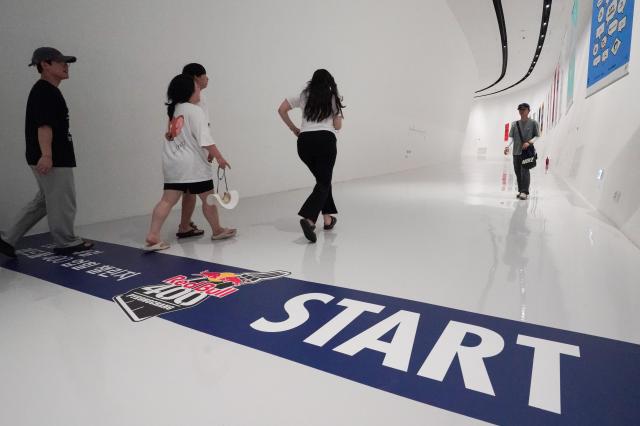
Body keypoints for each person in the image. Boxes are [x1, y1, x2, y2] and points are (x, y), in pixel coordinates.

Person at [0, 47, 94, 258]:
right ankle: (66, 242)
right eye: (61, 62)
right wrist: (47, 155)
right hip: (53, 157)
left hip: (47, 154)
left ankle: (7, 239)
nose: (66, 66)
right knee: (62, 199)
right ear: (45, 64)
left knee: (44, 200)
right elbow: (44, 126)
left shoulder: (47, 90)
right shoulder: (45, 91)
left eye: (67, 63)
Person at [144, 74, 235, 251]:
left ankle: (153, 234)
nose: (199, 89)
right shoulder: (195, 110)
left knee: (166, 201)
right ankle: (217, 230)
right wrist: (220, 157)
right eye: (197, 87)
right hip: (193, 165)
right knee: (208, 198)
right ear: (190, 90)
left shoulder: (174, 109)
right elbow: (205, 139)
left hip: (173, 163)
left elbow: (171, 136)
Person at [278, 69, 344, 243]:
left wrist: (294, 129)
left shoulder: (303, 95)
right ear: (330, 82)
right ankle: (309, 219)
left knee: (323, 181)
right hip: (325, 141)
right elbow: (338, 127)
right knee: (324, 181)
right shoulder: (332, 97)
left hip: (305, 143)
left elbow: (282, 109)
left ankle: (328, 219)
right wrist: (338, 111)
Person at [170, 63, 211, 240]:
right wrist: (212, 151)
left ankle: (184, 225)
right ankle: (217, 229)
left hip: (184, 155)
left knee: (188, 193)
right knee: (206, 195)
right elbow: (201, 131)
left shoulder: (178, 105)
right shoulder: (194, 104)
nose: (207, 78)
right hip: (193, 156)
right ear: (196, 78)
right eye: (204, 75)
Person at [504, 103, 540, 200]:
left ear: (528, 110)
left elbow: (537, 136)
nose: (521, 111)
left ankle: (525, 191)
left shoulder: (533, 123)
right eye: (520, 109)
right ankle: (520, 190)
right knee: (517, 172)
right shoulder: (514, 124)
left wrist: (529, 143)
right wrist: (507, 146)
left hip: (526, 153)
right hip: (516, 152)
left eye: (524, 109)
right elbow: (511, 137)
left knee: (525, 170)